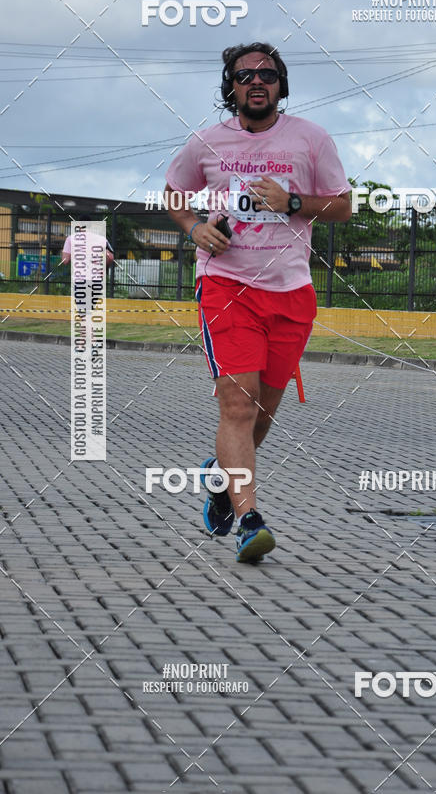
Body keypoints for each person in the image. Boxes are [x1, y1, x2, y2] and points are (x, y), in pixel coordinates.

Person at [165, 42, 351, 564]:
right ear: (231, 86)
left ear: (280, 84)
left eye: (267, 74)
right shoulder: (206, 142)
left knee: (263, 413)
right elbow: (175, 192)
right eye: (244, 74)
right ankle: (249, 521)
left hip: (291, 295)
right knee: (238, 404)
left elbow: (342, 205)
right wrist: (195, 228)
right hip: (227, 288)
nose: (256, 81)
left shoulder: (311, 140)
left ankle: (222, 484)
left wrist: (292, 202)